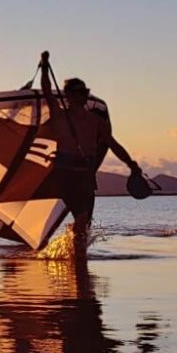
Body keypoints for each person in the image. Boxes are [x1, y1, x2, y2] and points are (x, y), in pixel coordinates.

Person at [39, 51, 142, 247]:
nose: (84, 95)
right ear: (69, 95)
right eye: (79, 92)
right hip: (65, 173)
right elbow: (46, 90)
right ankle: (76, 258)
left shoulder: (96, 121)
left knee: (84, 222)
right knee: (81, 216)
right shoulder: (60, 116)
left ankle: (75, 257)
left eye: (85, 91)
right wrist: (44, 66)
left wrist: (131, 164)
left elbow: (113, 144)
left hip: (86, 175)